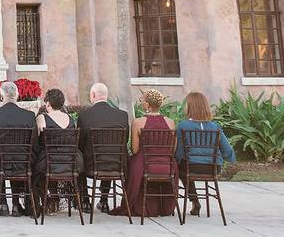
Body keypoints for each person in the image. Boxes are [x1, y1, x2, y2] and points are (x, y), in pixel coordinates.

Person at [110, 89, 177, 218]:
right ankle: (163, 206)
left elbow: (135, 150)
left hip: (145, 165)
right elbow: (172, 150)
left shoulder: (138, 122)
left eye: (142, 100)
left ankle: (138, 204)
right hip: (166, 166)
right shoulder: (171, 123)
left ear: (147, 105)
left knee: (129, 163)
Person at [175, 91, 236, 216]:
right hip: (213, 167)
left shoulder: (183, 125)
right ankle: (195, 200)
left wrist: (175, 160)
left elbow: (179, 151)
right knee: (186, 168)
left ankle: (194, 200)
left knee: (182, 170)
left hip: (191, 166)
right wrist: (227, 159)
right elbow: (228, 150)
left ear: (189, 107)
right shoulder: (215, 126)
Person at [0, 81, 36, 217]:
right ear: (17, 95)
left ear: (1, 95)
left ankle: (2, 203)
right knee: (16, 159)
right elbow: (34, 144)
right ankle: (16, 204)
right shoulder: (29, 116)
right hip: (23, 161)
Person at [77, 82, 129, 213]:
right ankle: (104, 201)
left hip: (91, 165)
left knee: (78, 157)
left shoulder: (84, 116)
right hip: (117, 166)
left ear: (93, 95)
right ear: (106, 96)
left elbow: (80, 144)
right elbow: (125, 141)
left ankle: (85, 201)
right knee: (111, 153)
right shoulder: (122, 115)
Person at [32, 88, 81, 213]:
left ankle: (44, 202)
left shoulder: (42, 118)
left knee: (34, 168)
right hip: (70, 162)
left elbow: (37, 141)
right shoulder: (71, 120)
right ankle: (54, 199)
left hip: (48, 162)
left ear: (48, 104)